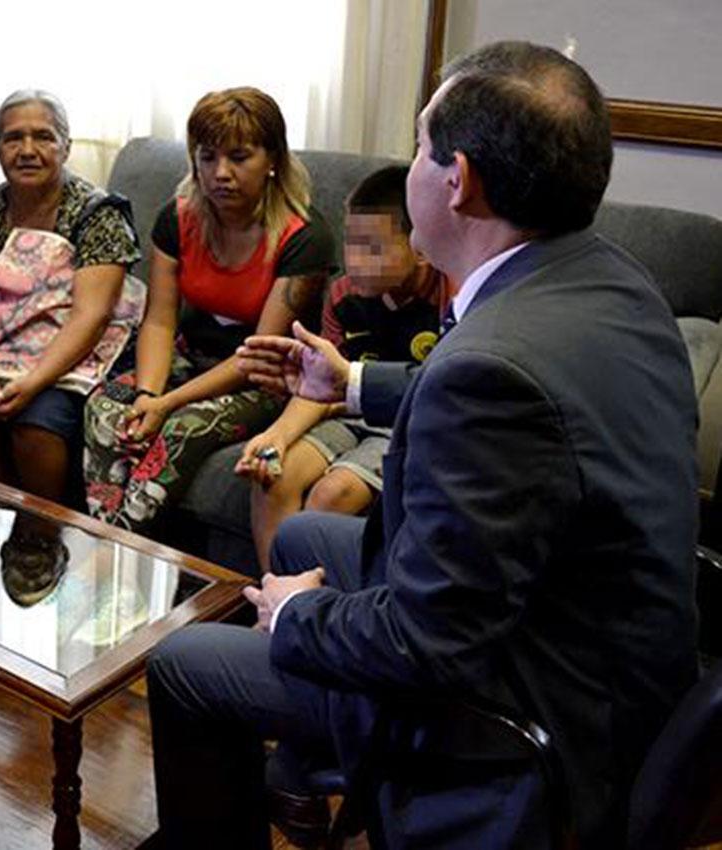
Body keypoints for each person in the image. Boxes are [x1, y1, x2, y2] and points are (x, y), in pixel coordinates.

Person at [147, 41, 699, 849]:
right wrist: (352, 383)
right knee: (302, 532)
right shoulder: (611, 279)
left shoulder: (492, 368)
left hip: (530, 710)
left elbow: (425, 642)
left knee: (187, 662)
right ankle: (310, 768)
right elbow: (536, 412)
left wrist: (300, 612)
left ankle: (318, 767)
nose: (407, 167)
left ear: (458, 179)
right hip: (608, 639)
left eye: (416, 147)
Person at [83, 87, 337, 537]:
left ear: (273, 158)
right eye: (207, 157)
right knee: (105, 409)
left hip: (265, 376)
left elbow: (259, 354)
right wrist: (146, 394)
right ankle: (106, 542)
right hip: (191, 353)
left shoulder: (304, 236)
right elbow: (160, 320)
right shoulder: (176, 218)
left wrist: (167, 403)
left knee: (182, 428)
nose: (221, 173)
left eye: (240, 157)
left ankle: (117, 550)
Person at [234, 166, 451, 571]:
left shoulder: (447, 298)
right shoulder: (342, 296)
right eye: (350, 242)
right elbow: (322, 388)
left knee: (331, 493)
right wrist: (276, 437)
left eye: (372, 248)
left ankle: (313, 612)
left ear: (420, 247)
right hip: (344, 414)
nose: (353, 261)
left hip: (402, 425)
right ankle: (274, 603)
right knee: (271, 475)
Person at [0, 88, 143, 506]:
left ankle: (42, 534)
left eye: (43, 137)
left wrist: (34, 382)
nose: (27, 150)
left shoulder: (98, 214)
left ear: (66, 147)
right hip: (4, 354)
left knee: (38, 424)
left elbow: (92, 315)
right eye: (14, 138)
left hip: (77, 358)